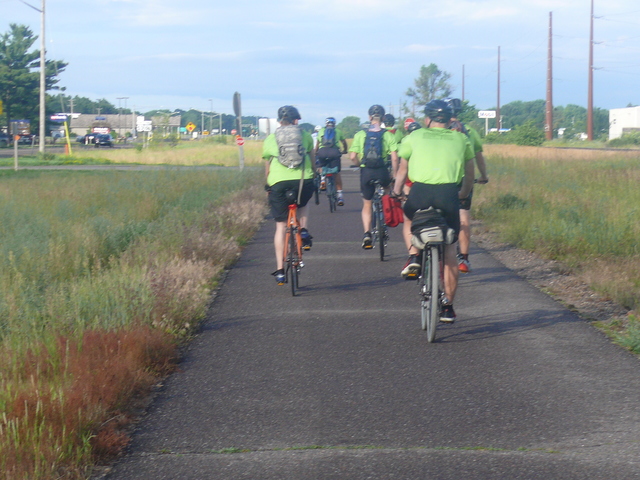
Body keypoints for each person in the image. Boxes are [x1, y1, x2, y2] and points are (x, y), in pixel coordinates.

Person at [392, 99, 475, 322]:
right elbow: (470, 174)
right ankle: (448, 307)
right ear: (449, 120)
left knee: (409, 219)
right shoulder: (461, 138)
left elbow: (402, 169)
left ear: (427, 119)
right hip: (448, 194)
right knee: (449, 248)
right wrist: (463, 194)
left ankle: (413, 256)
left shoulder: (414, 136)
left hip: (420, 192)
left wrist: (397, 191)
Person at [262, 105, 316, 285]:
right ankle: (304, 230)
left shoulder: (271, 138)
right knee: (303, 203)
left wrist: (268, 184)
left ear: (279, 121)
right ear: (296, 120)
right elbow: (312, 159)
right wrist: (314, 174)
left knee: (280, 226)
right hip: (302, 180)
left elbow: (268, 166)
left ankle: (279, 270)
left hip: (278, 183)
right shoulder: (305, 135)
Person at [446, 98, 489, 273]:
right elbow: (478, 157)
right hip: (464, 180)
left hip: (442, 179)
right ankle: (464, 259)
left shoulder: (437, 131)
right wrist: (484, 176)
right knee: (463, 216)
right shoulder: (469, 131)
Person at [349, 105, 399, 249]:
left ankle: (367, 233)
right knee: (387, 191)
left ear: (369, 117)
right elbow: (394, 158)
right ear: (383, 118)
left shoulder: (360, 134)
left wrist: (359, 164)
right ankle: (385, 220)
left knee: (367, 203)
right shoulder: (388, 135)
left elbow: (352, 156)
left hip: (367, 171)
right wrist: (394, 174)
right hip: (382, 171)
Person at [315, 117, 349, 205]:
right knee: (337, 173)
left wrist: (316, 153)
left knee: (320, 166)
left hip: (322, 152)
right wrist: (345, 150)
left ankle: (322, 180)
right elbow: (344, 142)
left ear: (326, 124)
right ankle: (340, 196)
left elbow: (317, 145)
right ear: (334, 124)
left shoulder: (321, 131)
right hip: (334, 152)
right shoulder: (338, 131)